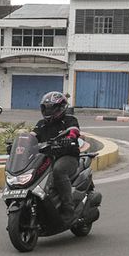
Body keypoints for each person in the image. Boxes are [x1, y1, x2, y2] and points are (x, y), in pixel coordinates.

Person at [32, 91, 81, 225]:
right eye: (46, 108)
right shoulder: (41, 124)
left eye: (52, 108)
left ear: (60, 108)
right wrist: (18, 144)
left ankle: (68, 209)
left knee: (58, 171)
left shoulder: (69, 119)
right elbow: (32, 136)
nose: (48, 111)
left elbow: (74, 130)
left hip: (67, 156)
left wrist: (69, 138)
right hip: (47, 158)